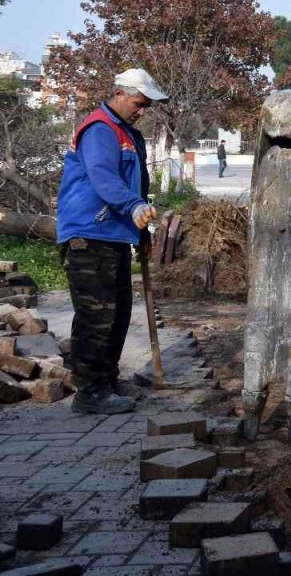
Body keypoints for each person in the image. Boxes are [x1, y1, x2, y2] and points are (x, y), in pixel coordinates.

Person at [56, 68, 168, 415]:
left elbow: (137, 185)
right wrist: (134, 206)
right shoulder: (100, 130)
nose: (143, 111)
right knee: (96, 316)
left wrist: (142, 231)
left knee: (117, 313)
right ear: (119, 94)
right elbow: (104, 179)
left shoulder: (128, 135)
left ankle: (105, 380)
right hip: (88, 236)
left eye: (147, 106)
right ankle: (89, 392)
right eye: (139, 103)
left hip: (114, 234)